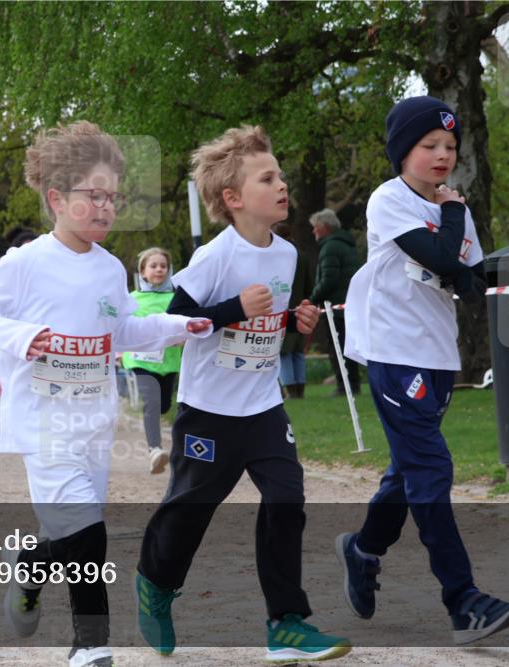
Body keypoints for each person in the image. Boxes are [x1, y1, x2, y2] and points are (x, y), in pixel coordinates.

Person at [0, 121, 211, 667]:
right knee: (88, 533)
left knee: (72, 533)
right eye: (94, 195)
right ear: (57, 198)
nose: (106, 207)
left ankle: (29, 565)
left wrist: (180, 327)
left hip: (93, 423)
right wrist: (22, 337)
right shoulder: (26, 262)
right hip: (43, 423)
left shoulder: (108, 268)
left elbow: (122, 332)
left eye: (113, 197)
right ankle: (91, 645)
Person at [134, 125, 350, 664]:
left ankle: (286, 623)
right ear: (233, 198)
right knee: (190, 511)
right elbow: (176, 322)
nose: (283, 185)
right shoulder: (214, 257)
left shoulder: (287, 254)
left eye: (281, 176)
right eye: (268, 179)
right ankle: (155, 584)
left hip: (262, 405)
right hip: (209, 411)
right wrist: (233, 308)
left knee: (287, 498)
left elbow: (266, 320)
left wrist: (295, 319)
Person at [339, 96, 509, 644]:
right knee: (431, 468)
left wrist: (456, 255)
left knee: (408, 470)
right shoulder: (389, 200)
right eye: (430, 145)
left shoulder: (453, 210)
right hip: (393, 350)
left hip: (438, 353)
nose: (443, 154)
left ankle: (363, 548)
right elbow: (445, 260)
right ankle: (463, 601)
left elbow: (472, 283)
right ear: (402, 151)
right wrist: (452, 219)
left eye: (451, 145)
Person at [120, 247, 184, 474]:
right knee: (152, 401)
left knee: (164, 405)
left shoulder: (176, 298)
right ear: (143, 272)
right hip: (141, 361)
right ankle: (155, 450)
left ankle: (159, 445)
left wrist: (182, 336)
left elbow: (183, 324)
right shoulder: (132, 299)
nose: (159, 269)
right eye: (153, 266)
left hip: (169, 361)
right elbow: (124, 327)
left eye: (163, 266)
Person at [309, 208, 361, 395]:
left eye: (316, 227)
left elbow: (328, 280)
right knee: (348, 347)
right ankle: (353, 384)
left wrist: (312, 300)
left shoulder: (330, 247)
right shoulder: (347, 245)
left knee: (337, 347)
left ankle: (344, 385)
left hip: (336, 307)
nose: (313, 231)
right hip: (350, 304)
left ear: (325, 227)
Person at [273, 223, 314, 399]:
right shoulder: (302, 255)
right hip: (301, 306)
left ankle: (290, 390)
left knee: (283, 351)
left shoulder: (277, 256)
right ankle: (300, 389)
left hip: (284, 308)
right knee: (298, 351)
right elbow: (309, 284)